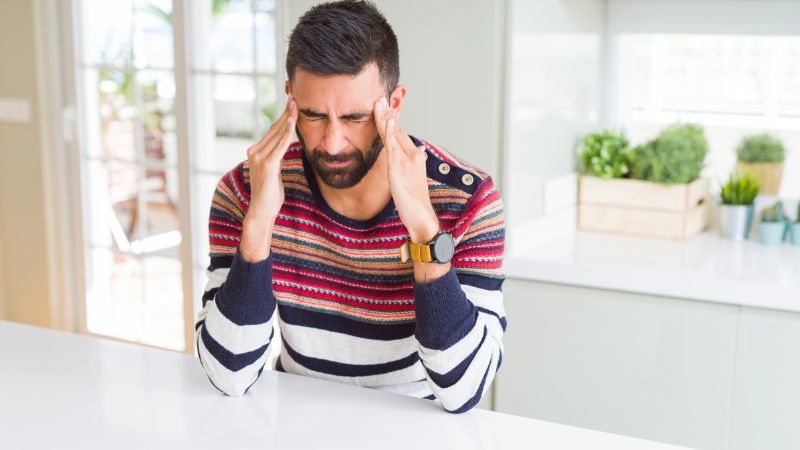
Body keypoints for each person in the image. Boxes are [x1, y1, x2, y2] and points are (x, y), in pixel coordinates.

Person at [195, 0, 506, 414]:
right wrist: (258, 227)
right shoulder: (245, 191)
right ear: (290, 99)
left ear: (394, 104)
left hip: (418, 425)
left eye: (355, 118)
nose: (332, 143)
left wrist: (426, 233)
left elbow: (465, 390)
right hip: (296, 421)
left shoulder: (468, 200)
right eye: (313, 115)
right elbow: (229, 374)